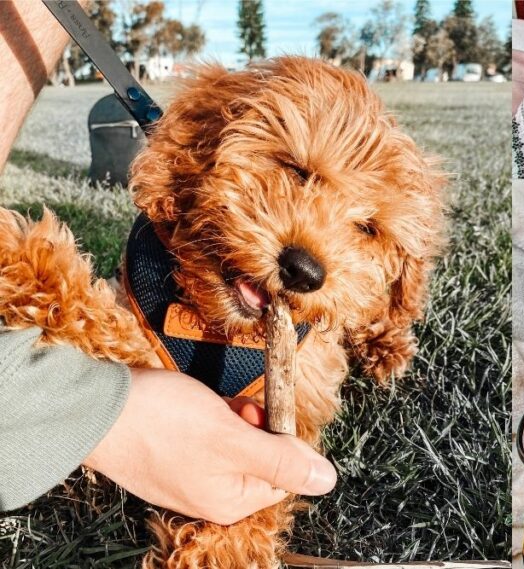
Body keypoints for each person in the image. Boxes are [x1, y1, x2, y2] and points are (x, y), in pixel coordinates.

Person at [0, 0, 336, 525]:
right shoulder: (150, 274)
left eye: (366, 227)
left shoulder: (313, 344)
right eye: (292, 171)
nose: (313, 256)